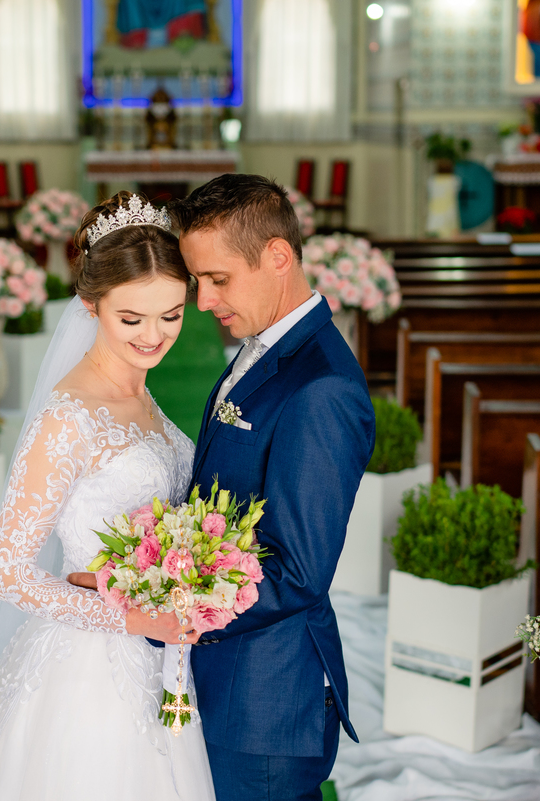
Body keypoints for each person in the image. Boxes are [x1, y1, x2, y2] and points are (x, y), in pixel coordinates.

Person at [0, 192, 216, 801]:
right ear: (89, 305)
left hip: (158, 654)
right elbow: (6, 573)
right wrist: (131, 614)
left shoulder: (142, 395)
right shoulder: (69, 416)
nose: (155, 336)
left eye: (171, 314)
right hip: (88, 672)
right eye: (130, 319)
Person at [171, 174, 375, 801]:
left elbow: (297, 572)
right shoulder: (266, 345)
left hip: (264, 704)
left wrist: (174, 610)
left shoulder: (322, 389)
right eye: (197, 280)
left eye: (218, 279)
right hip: (231, 679)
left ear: (278, 258)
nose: (203, 302)